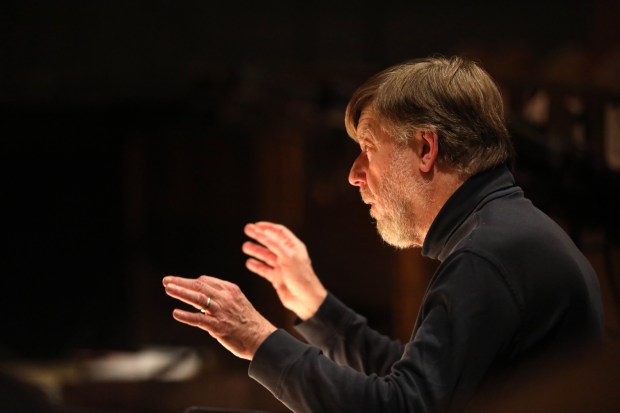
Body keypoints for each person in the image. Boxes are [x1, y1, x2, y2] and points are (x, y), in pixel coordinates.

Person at [163, 56, 604, 412]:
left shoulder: (491, 255)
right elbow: (416, 380)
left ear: (426, 150)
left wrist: (259, 339)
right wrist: (315, 306)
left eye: (368, 149)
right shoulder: (502, 234)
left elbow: (401, 406)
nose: (354, 175)